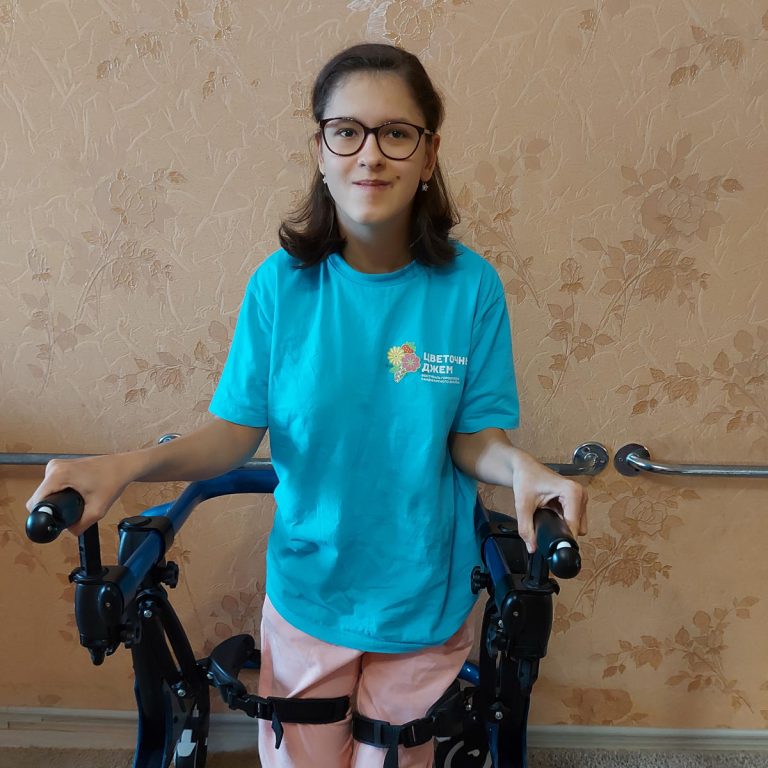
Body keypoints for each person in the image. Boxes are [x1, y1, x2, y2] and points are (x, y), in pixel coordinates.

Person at [27, 43, 587, 768]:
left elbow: (474, 437)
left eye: (396, 133)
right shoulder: (280, 285)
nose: (370, 154)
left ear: (429, 154)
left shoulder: (470, 286)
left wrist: (522, 470)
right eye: (346, 131)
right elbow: (231, 436)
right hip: (311, 593)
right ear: (320, 151)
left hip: (424, 593)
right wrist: (124, 466)